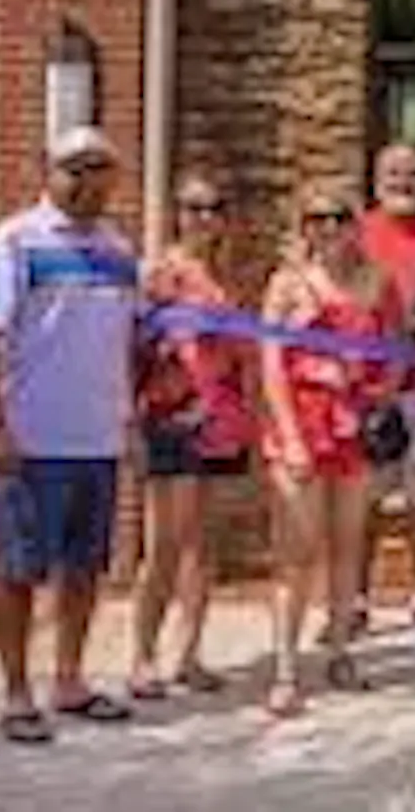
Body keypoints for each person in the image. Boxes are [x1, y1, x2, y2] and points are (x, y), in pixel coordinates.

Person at [0, 125, 141, 744]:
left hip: (97, 440)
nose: (87, 180)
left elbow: (130, 339)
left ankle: (69, 681)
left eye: (99, 168)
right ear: (49, 171)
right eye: (74, 167)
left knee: (84, 569)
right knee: (17, 571)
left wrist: (129, 416)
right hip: (30, 442)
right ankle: (16, 694)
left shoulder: (118, 250)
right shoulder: (15, 241)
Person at [257, 185, 406, 716]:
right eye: (316, 218)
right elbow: (272, 364)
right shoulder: (287, 284)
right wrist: (290, 435)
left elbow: (396, 351)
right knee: (296, 552)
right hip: (302, 426)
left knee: (347, 546)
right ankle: (286, 668)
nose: (328, 228)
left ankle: (340, 651)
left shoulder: (378, 282)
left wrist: (379, 399)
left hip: (353, 431)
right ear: (304, 225)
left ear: (353, 223)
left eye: (338, 217)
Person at [127, 172, 254, 701]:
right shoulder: (159, 274)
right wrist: (131, 419)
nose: (206, 218)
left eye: (215, 207)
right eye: (194, 207)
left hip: (221, 423)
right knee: (165, 544)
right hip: (172, 420)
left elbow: (241, 356)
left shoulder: (228, 279)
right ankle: (143, 656)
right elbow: (134, 350)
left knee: (204, 545)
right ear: (177, 214)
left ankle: (188, 654)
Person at [356, 143, 415, 635]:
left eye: (413, 173)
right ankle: (353, 599)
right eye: (393, 173)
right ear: (376, 179)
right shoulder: (356, 233)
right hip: (365, 389)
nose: (403, 182)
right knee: (361, 499)